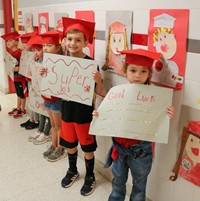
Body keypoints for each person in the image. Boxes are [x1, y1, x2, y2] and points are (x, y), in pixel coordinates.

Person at [93, 49, 175, 201]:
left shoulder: (155, 97)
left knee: (139, 188)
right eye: (133, 70)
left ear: (149, 74)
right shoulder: (117, 94)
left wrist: (166, 115)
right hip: (119, 150)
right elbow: (109, 114)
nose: (138, 75)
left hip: (141, 152)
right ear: (125, 71)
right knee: (117, 185)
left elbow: (156, 121)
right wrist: (100, 116)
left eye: (143, 71)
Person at [59, 17, 104, 196]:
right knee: (70, 145)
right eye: (70, 39)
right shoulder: (60, 62)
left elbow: (100, 92)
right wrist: (45, 73)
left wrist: (98, 80)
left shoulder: (91, 65)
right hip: (66, 112)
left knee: (87, 149)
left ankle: (90, 176)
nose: (73, 43)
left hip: (84, 114)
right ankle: (72, 170)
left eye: (78, 40)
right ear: (64, 40)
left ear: (86, 42)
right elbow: (53, 87)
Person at [39, 30, 66, 161]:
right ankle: (53, 144)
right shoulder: (44, 61)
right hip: (46, 98)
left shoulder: (62, 62)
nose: (45, 48)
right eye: (44, 46)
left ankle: (60, 148)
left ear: (58, 47)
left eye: (49, 45)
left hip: (56, 99)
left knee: (59, 125)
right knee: (53, 124)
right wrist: (41, 71)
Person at [24, 35, 52, 144]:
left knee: (48, 113)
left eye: (39, 50)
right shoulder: (37, 62)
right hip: (39, 91)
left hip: (47, 92)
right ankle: (40, 130)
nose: (36, 52)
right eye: (35, 50)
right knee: (41, 111)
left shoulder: (47, 63)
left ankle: (45, 132)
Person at [1, 31, 28, 118]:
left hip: (21, 78)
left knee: (22, 94)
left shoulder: (19, 52)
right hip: (15, 78)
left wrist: (18, 68)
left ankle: (23, 110)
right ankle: (18, 108)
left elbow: (24, 65)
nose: (8, 43)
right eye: (7, 41)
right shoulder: (11, 53)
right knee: (18, 93)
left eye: (10, 40)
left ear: (16, 42)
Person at [19, 31, 40, 129]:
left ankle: (36, 120)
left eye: (26, 43)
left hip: (35, 80)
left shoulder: (35, 55)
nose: (24, 45)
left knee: (35, 99)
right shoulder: (27, 54)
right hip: (28, 79)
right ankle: (32, 118)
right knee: (31, 99)